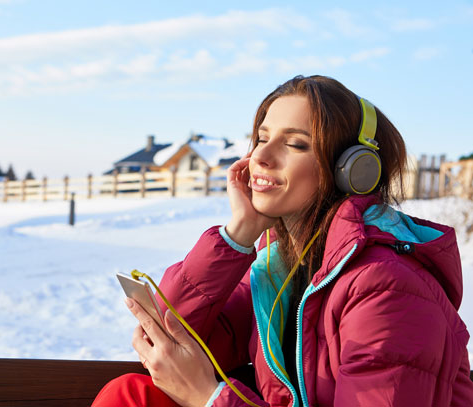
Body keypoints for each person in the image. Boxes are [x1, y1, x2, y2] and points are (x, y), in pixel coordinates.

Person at [92, 75, 473, 406]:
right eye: (260, 138)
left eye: (295, 144)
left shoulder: (387, 287)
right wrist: (239, 233)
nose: (261, 157)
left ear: (353, 169)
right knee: (130, 395)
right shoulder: (279, 267)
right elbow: (168, 337)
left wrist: (208, 398)